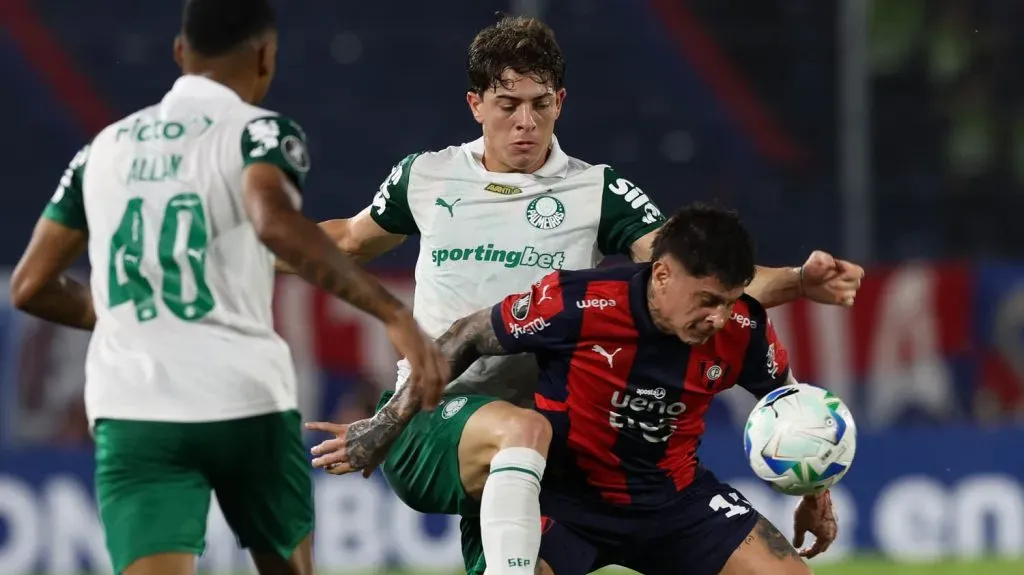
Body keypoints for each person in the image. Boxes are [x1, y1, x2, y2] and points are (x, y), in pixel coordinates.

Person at [303, 15, 860, 575]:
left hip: (536, 448)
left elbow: (701, 275)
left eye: (540, 104)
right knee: (521, 436)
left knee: (523, 439)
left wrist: (797, 280)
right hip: (437, 409)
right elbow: (348, 240)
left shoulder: (597, 191)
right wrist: (256, 237)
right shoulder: (427, 176)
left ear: (561, 102)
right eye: (507, 104)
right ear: (475, 104)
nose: (526, 122)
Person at [8, 1, 447, 574]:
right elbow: (274, 223)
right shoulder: (261, 133)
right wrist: (392, 313)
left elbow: (30, 285)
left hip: (135, 408)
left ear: (179, 53)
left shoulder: (101, 152)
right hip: (243, 403)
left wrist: (124, 316)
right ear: (267, 55)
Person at [323, 204, 836, 575]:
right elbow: (466, 335)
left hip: (672, 502)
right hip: (564, 500)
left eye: (728, 300)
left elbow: (792, 411)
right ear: (661, 275)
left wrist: (816, 494)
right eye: (706, 300)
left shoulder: (741, 328)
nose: (718, 316)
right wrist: (390, 422)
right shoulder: (579, 302)